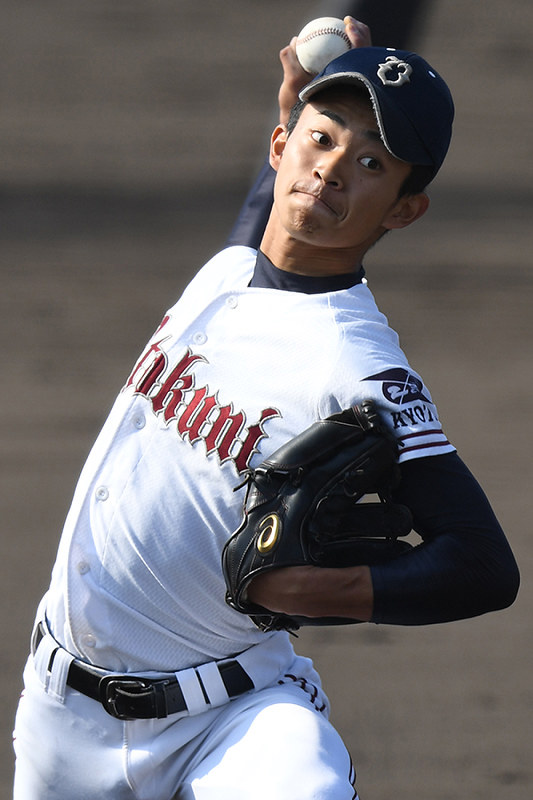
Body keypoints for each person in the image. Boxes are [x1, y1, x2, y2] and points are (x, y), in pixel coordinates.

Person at [13, 17, 519, 800]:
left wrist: (318, 592)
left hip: (232, 721)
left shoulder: (359, 365)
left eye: (371, 163)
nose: (332, 170)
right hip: (59, 722)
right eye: (321, 139)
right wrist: (292, 107)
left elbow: (483, 564)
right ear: (281, 146)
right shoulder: (230, 269)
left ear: (402, 211)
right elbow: (269, 215)